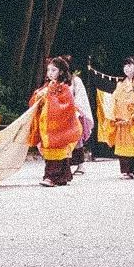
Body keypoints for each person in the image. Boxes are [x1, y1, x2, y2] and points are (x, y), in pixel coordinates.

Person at [28, 57, 83, 187]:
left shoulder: (64, 88)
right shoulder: (48, 86)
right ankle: (62, 177)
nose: (50, 73)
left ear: (61, 72)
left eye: (54, 70)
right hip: (47, 124)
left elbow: (66, 105)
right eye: (48, 70)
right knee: (52, 151)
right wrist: (39, 95)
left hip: (58, 126)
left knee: (56, 150)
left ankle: (51, 177)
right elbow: (35, 100)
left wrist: (48, 98)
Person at [97, 56, 134, 178]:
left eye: (130, 66)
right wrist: (113, 116)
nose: (127, 68)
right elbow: (114, 101)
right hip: (121, 121)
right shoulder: (120, 85)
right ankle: (127, 170)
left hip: (133, 120)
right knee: (123, 147)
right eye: (125, 66)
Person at [57, 55, 94, 176]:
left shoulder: (75, 80)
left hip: (73, 113)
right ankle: (63, 166)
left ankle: (80, 165)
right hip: (59, 114)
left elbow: (80, 97)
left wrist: (75, 110)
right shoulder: (57, 82)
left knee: (76, 140)